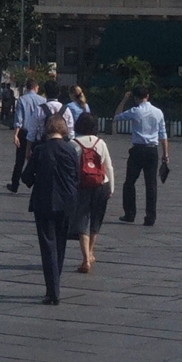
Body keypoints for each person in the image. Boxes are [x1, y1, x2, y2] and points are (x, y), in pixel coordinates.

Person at [23, 112, 82, 304]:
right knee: (60, 243)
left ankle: (52, 290)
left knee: (47, 245)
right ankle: (56, 282)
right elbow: (77, 177)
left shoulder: (40, 150)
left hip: (44, 201)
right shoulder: (71, 150)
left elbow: (26, 177)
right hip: (67, 202)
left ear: (47, 129)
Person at [117, 89, 169, 226]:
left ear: (135, 97)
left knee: (129, 182)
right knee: (151, 184)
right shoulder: (158, 112)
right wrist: (165, 154)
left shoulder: (135, 111)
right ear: (148, 95)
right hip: (152, 150)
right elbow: (163, 135)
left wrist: (124, 99)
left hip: (138, 149)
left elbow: (117, 116)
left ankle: (130, 213)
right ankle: (150, 216)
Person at [71, 111, 113, 272]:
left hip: (82, 186)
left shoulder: (73, 143)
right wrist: (111, 188)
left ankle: (85, 259)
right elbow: (108, 166)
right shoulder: (100, 143)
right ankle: (91, 252)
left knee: (82, 221)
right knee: (96, 221)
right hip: (101, 185)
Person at [9, 78, 52, 192]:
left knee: (20, 160)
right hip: (38, 133)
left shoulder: (22, 100)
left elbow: (19, 118)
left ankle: (15, 184)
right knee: (38, 159)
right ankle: (38, 183)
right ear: (35, 87)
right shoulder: (43, 100)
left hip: (24, 132)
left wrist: (15, 134)